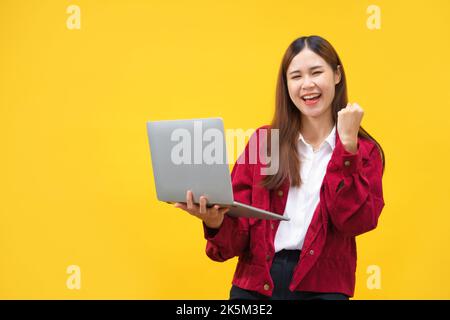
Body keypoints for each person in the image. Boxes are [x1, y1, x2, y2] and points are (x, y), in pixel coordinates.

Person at [173, 35, 385, 300]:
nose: (307, 84)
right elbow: (236, 238)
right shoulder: (265, 143)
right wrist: (214, 220)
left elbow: (355, 222)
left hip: (322, 288)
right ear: (286, 85)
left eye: (316, 72)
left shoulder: (363, 151)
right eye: (296, 76)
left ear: (337, 75)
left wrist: (348, 147)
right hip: (255, 287)